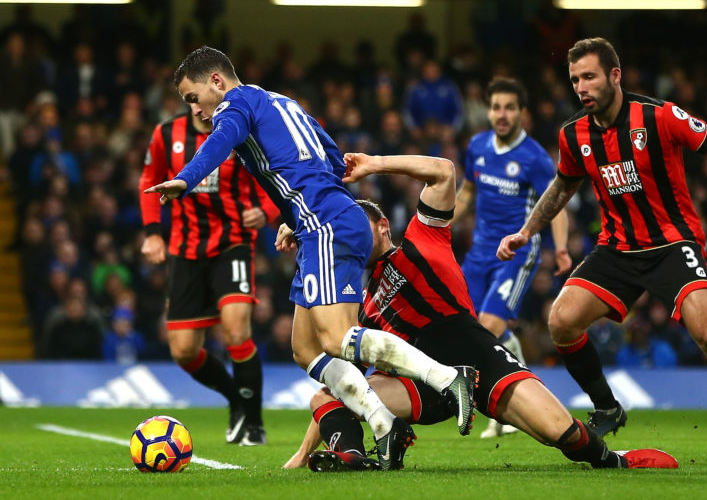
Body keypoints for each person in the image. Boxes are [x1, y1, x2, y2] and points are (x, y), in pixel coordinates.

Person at [144, 47, 476, 467]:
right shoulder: (282, 102)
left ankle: (447, 377)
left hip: (326, 225)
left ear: (216, 81)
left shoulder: (234, 105)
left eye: (193, 98)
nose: (194, 110)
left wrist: (184, 179)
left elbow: (219, 144)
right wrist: (293, 215)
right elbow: (332, 157)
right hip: (323, 220)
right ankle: (385, 426)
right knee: (305, 348)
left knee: (338, 338)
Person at [282, 152, 678, 472]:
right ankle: (352, 458)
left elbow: (442, 172)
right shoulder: (361, 301)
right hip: (423, 387)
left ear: (384, 225)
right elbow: (341, 374)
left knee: (562, 434)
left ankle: (615, 461)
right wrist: (302, 453)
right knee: (325, 396)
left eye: (355, 225)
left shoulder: (423, 239)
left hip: (477, 359)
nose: (347, 234)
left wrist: (377, 164)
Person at [498, 37, 707, 464]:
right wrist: (528, 231)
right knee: (561, 320)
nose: (581, 87)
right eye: (575, 79)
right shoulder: (573, 134)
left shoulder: (659, 116)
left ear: (615, 76)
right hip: (617, 248)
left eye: (590, 77)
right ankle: (607, 407)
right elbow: (563, 184)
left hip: (673, 243)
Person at [139, 107, 281, 445]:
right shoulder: (165, 134)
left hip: (233, 244)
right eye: (190, 97)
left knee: (235, 331)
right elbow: (148, 179)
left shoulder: (241, 132)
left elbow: (273, 176)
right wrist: (152, 232)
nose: (198, 105)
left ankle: (254, 422)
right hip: (185, 252)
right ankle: (237, 400)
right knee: (184, 351)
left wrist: (267, 210)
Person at [453, 77, 572, 438]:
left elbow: (558, 203)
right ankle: (512, 365)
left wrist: (562, 248)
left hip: (517, 253)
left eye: (508, 108)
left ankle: (505, 406)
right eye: (495, 107)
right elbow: (467, 191)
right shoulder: (477, 146)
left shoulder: (534, 157)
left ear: (522, 113)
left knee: (487, 327)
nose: (501, 115)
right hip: (479, 252)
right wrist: (438, 225)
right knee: (463, 327)